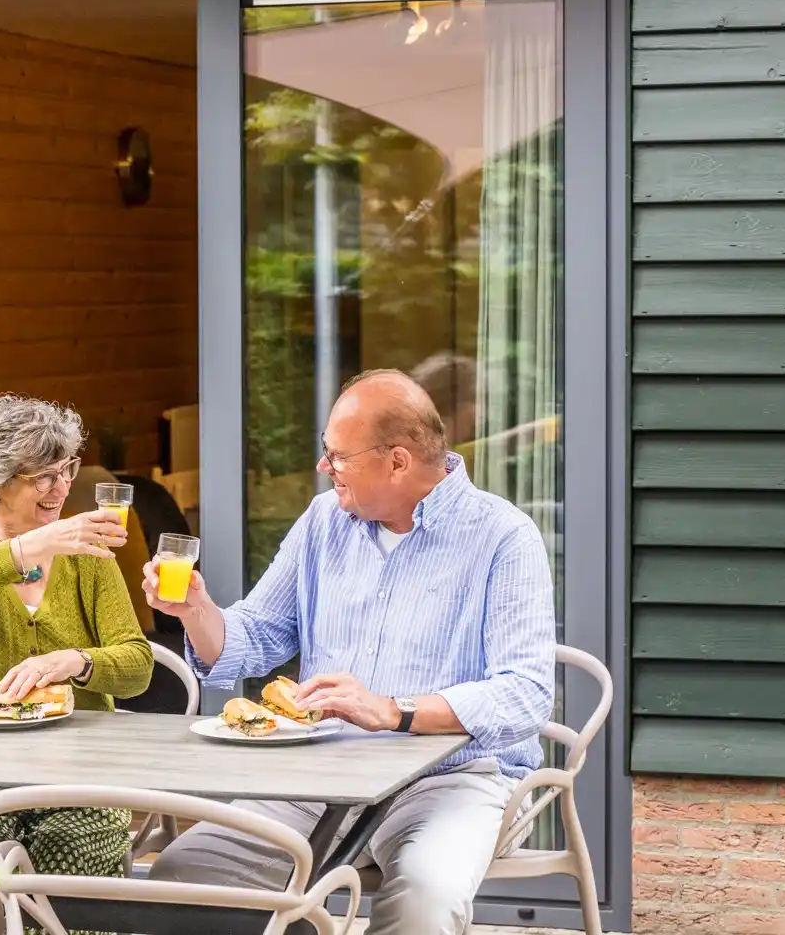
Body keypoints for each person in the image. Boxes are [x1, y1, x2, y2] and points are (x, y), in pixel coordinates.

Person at [143, 369, 556, 935]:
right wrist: (196, 611)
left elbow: (524, 693)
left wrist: (395, 710)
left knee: (425, 899)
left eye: (338, 456)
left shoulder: (503, 536)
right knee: (183, 874)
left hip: (451, 778)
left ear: (398, 462)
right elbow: (257, 635)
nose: (323, 468)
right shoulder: (323, 522)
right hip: (323, 772)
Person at [0, 394, 154, 923]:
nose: (62, 487)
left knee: (70, 886)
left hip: (79, 775)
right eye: (41, 476)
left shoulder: (87, 554)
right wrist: (32, 547)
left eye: (66, 469)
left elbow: (137, 666)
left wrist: (78, 662)